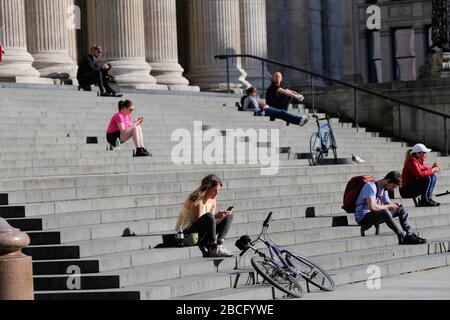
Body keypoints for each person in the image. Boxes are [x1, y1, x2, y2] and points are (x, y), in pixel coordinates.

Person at [354, 171, 426, 245]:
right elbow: (372, 207)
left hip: (376, 214)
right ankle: (404, 236)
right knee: (385, 212)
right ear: (388, 181)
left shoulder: (384, 188)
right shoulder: (370, 186)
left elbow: (387, 204)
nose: (392, 190)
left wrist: (395, 205)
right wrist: (389, 206)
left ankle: (410, 235)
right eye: (393, 186)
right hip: (363, 216)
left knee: (402, 210)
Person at [175, 175, 234, 258]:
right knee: (210, 216)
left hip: (202, 234)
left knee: (228, 215)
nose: (217, 193)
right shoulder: (197, 200)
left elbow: (211, 224)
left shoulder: (212, 200)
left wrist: (220, 217)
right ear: (207, 188)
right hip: (187, 235)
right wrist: (216, 216)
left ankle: (219, 244)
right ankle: (213, 247)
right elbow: (198, 224)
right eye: (215, 190)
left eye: (218, 190)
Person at [244, 87, 309, 127]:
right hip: (263, 110)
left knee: (282, 113)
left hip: (266, 109)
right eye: (254, 91)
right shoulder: (248, 98)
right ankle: (299, 120)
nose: (256, 93)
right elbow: (245, 109)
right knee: (282, 113)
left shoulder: (254, 98)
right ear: (250, 93)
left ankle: (299, 121)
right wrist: (258, 109)